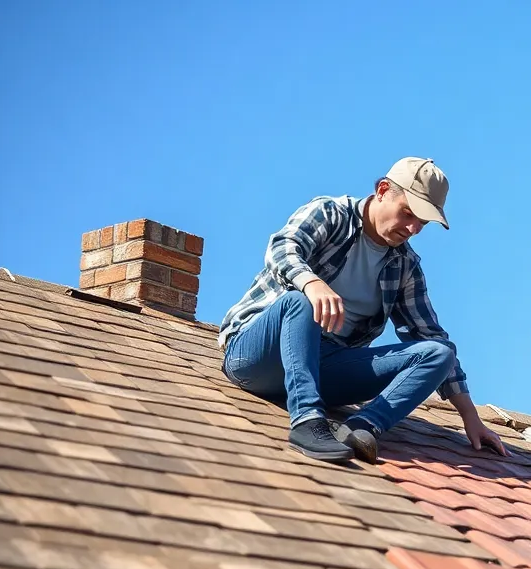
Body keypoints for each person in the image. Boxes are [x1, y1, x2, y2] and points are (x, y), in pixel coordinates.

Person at [217, 157, 506, 463]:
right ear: (383, 190)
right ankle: (307, 422)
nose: (413, 229)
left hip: (325, 370)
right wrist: (311, 284)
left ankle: (361, 426)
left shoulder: (405, 266)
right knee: (300, 301)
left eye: (423, 222)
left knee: (439, 352)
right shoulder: (330, 214)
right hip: (256, 358)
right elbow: (282, 247)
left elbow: (429, 332)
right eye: (408, 214)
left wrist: (471, 418)